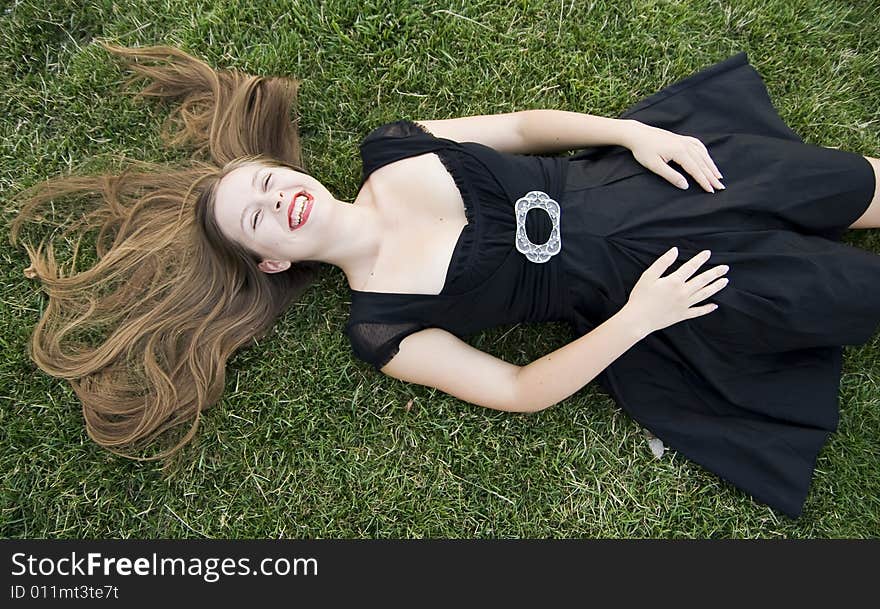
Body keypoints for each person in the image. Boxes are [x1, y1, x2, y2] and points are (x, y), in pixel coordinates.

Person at [9, 41, 879, 519]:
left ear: (294, 173)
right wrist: (643, 318)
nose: (280, 201)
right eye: (258, 217)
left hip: (644, 180)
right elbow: (517, 387)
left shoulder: (393, 148)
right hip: (654, 282)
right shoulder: (382, 327)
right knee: (841, 295)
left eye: (270, 183)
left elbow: (521, 127)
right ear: (270, 259)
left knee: (842, 183)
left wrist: (627, 134)